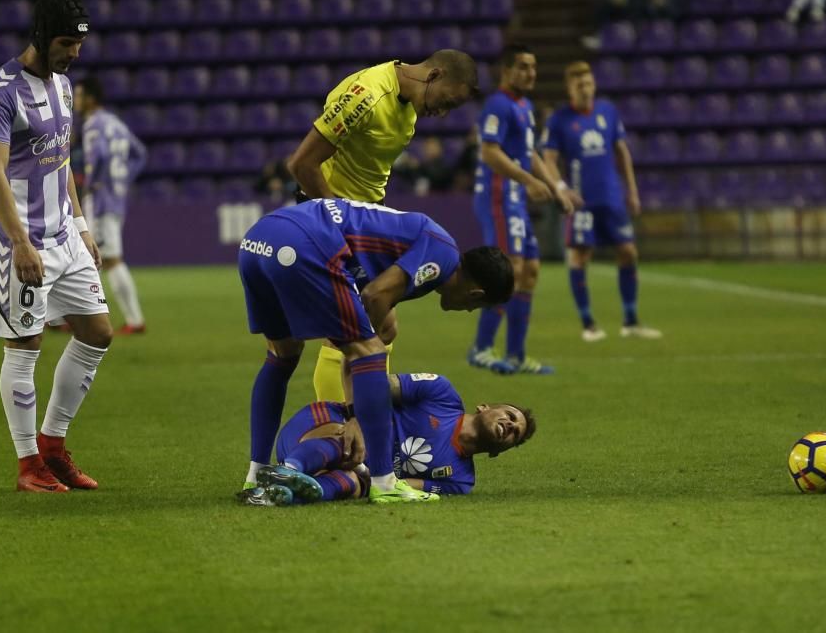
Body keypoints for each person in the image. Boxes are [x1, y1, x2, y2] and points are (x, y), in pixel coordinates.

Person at [238, 198, 514, 504]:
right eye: (477, 307)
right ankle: (385, 482)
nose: (468, 311)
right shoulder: (442, 253)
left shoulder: (422, 242)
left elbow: (372, 289)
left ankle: (256, 476)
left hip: (259, 239)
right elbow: (374, 295)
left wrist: (367, 335)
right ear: (476, 294)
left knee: (282, 355)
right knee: (371, 353)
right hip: (305, 243)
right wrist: (358, 412)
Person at [286, 50, 481, 405]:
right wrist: (336, 222)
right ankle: (339, 428)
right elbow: (302, 164)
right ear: (434, 75)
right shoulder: (367, 95)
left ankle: (360, 417)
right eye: (447, 101)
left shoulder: (408, 106)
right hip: (330, 218)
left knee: (381, 325)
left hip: (360, 220)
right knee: (350, 331)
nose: (443, 112)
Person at [0, 0, 111, 493]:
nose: (74, 52)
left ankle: (53, 447)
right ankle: (27, 464)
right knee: (26, 346)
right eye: (65, 42)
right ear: (40, 36)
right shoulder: (0, 91)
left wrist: (81, 226)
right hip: (20, 242)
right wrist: (20, 243)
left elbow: (61, 160)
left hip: (64, 235)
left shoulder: (65, 85)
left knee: (98, 332)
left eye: (78, 43)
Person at [238, 372, 536, 506]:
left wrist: (368, 477)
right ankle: (288, 469)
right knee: (355, 442)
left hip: (350, 470)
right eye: (509, 415)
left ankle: (279, 495)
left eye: (515, 433)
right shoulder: (441, 393)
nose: (509, 425)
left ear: (502, 451)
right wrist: (357, 418)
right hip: (323, 426)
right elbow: (373, 384)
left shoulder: (461, 481)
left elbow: (398, 486)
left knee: (360, 485)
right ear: (485, 406)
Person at [467, 44, 575, 375]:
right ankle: (481, 349)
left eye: (533, 67)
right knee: (508, 269)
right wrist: (528, 180)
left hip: (514, 196)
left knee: (529, 272)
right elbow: (489, 153)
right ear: (507, 71)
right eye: (524, 67)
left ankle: (516, 354)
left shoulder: (525, 106)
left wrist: (557, 188)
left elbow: (530, 153)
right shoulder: (498, 105)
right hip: (498, 196)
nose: (531, 73)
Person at [542, 61, 662, 342]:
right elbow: (548, 158)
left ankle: (631, 320)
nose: (585, 89)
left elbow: (622, 152)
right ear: (570, 88)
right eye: (579, 84)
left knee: (629, 252)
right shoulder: (559, 120)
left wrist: (632, 190)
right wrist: (560, 187)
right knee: (580, 257)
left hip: (611, 197)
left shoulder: (607, 112)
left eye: (589, 83)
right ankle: (588, 324)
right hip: (581, 201)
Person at [73, 76, 148, 334]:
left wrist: (90, 184)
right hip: (115, 196)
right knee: (88, 256)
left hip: (101, 199)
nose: (76, 101)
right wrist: (122, 179)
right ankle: (70, 316)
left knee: (108, 259)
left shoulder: (93, 125)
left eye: (79, 95)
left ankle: (135, 321)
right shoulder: (115, 123)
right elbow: (140, 153)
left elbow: (101, 155)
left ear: (91, 99)